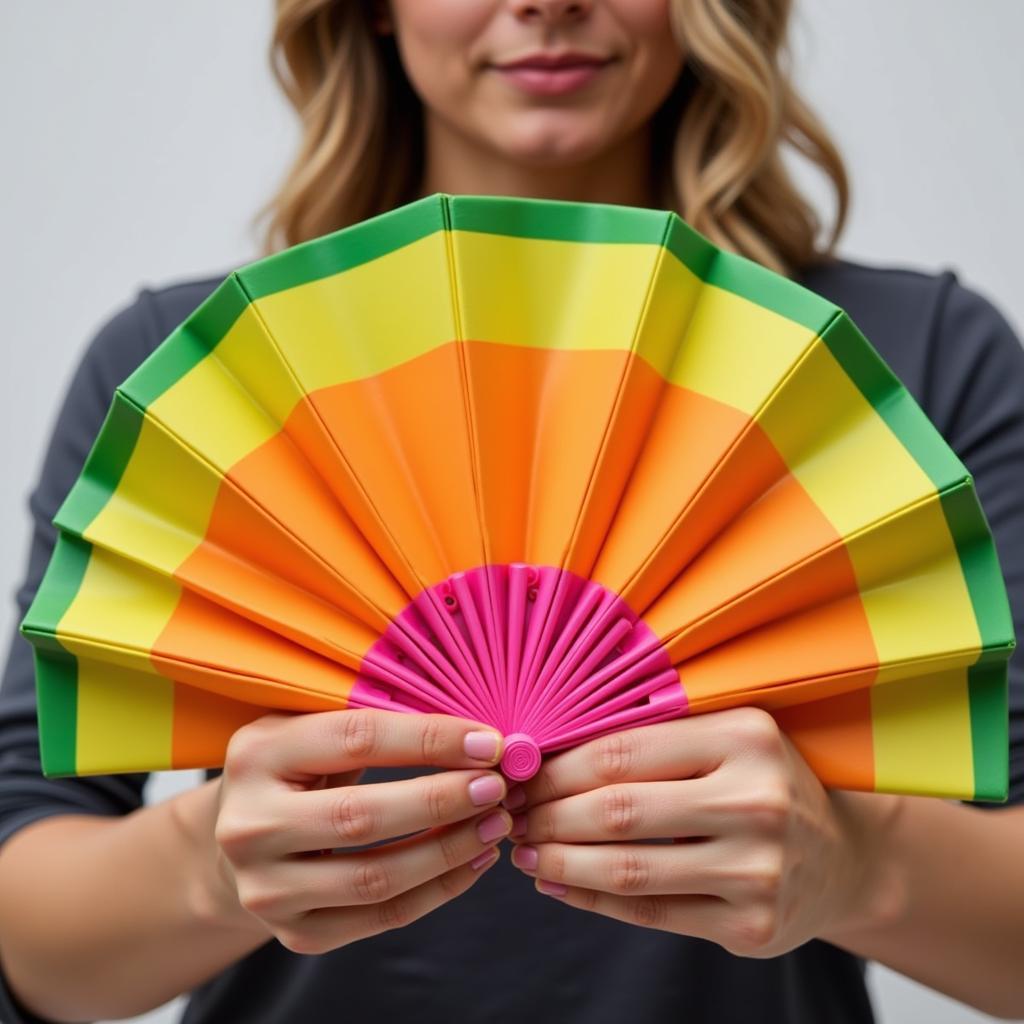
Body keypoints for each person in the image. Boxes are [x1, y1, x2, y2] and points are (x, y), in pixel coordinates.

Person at [0, 1, 1022, 1021]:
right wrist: (205, 865)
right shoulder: (201, 376)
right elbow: (30, 920)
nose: (546, 2)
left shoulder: (901, 368)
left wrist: (855, 864)